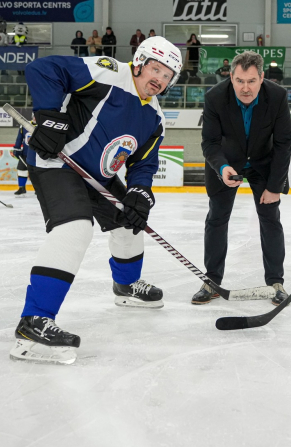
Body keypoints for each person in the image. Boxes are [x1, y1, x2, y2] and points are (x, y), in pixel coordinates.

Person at [9, 36, 183, 364]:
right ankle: (32, 322)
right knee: (75, 228)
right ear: (140, 62)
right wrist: (49, 116)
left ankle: (127, 287)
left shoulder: (155, 119)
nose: (159, 78)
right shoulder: (108, 72)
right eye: (155, 68)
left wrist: (140, 192)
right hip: (57, 162)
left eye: (167, 75)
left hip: (97, 176)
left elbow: (144, 163)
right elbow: (44, 69)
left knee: (131, 222)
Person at [197, 51, 291, 305]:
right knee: (217, 218)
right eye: (239, 81)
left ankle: (275, 282)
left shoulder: (277, 96)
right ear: (231, 77)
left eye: (251, 81)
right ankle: (212, 281)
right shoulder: (215, 97)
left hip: (264, 163)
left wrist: (274, 187)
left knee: (270, 219)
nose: (245, 88)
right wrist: (222, 168)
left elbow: (284, 144)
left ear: (262, 78)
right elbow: (209, 142)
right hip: (228, 163)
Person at [12, 118, 33, 196]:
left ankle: (38, 189)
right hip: (25, 153)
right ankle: (22, 188)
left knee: (37, 172)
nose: (35, 118)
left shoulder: (41, 125)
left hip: (38, 155)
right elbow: (19, 138)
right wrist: (16, 148)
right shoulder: (24, 125)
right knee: (21, 170)